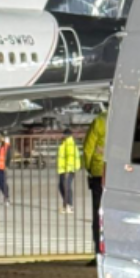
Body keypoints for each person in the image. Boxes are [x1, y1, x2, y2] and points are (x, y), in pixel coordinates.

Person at [83, 112, 107, 267]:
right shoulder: (127, 118)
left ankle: (99, 253)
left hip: (99, 173)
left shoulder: (99, 121)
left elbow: (88, 149)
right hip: (119, 173)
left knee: (98, 215)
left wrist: (89, 169)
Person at [57, 128, 82, 214]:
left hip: (68, 170)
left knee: (66, 186)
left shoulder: (69, 144)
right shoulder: (65, 143)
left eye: (64, 135)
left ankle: (69, 206)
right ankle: (66, 205)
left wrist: (67, 171)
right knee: (62, 186)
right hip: (63, 169)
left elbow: (70, 158)